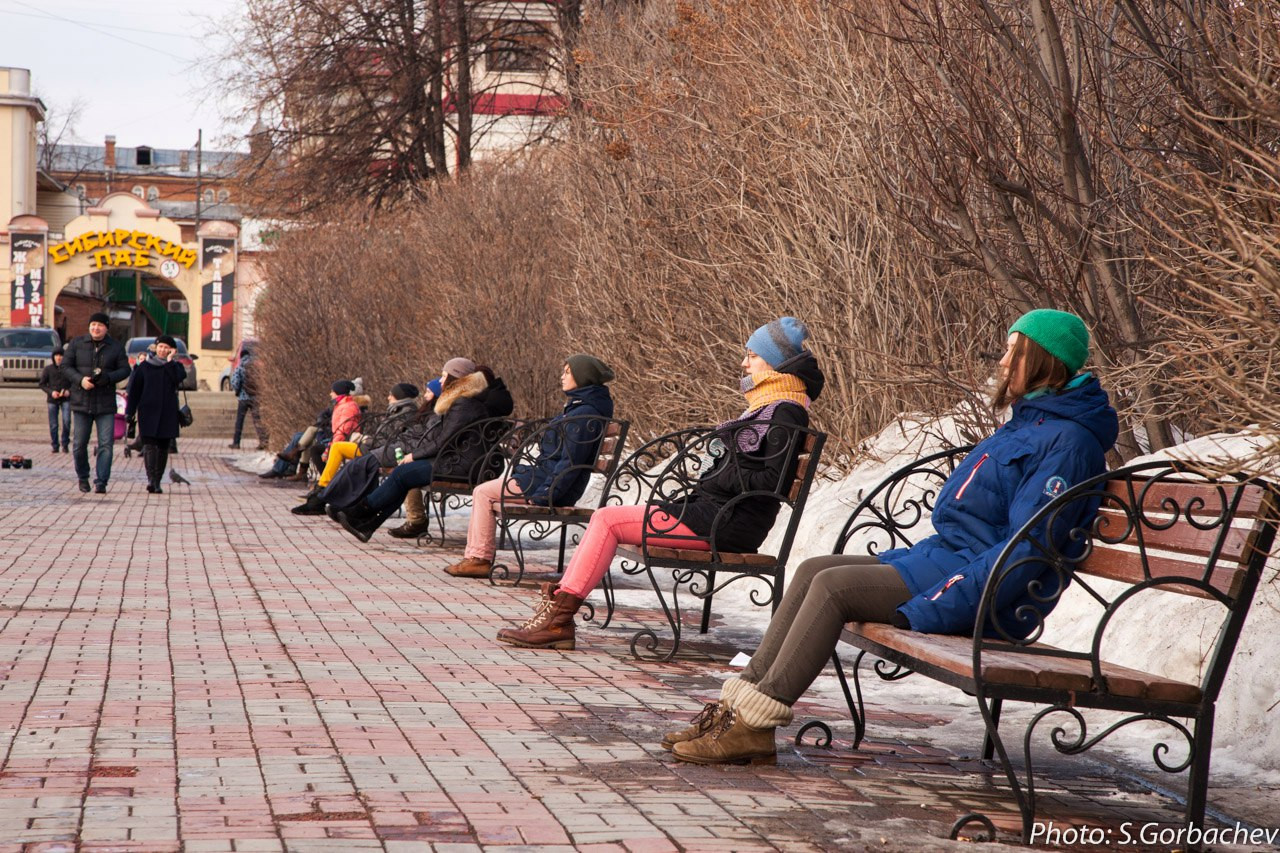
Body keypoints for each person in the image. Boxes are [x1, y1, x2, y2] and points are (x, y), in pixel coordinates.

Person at [660, 309, 1119, 766]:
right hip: (950, 560)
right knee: (814, 568)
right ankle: (737, 709)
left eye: (1013, 351)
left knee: (833, 590)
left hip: (980, 592)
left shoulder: (1068, 443)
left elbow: (1026, 550)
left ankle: (754, 727)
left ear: (1044, 360)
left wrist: (937, 600)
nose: (1001, 362)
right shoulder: (1030, 423)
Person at [495, 319, 823, 650]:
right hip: (712, 511)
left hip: (727, 522)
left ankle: (558, 620)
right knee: (605, 518)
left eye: (751, 355)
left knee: (607, 520)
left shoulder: (785, 412)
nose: (744, 363)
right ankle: (558, 616)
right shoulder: (769, 406)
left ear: (772, 360)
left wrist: (719, 473)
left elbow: (774, 481)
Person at [442, 353, 616, 578]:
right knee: (486, 491)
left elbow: (571, 460)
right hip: (543, 479)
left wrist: (546, 494)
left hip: (549, 487)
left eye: (567, 372)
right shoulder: (581, 407)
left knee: (483, 493)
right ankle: (475, 557)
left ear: (582, 378)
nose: (561, 377)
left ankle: (479, 559)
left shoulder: (584, 414)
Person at [333, 359, 494, 541]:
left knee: (403, 473)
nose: (441, 381)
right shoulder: (465, 400)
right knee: (404, 475)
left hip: (461, 465)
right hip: (457, 460)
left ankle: (361, 512)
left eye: (443, 376)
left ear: (455, 377)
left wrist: (413, 455)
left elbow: (443, 441)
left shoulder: (463, 403)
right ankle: (367, 524)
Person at [388, 366, 515, 539]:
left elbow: (446, 439)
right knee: (410, 466)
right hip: (478, 462)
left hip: (467, 464)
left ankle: (416, 520)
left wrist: (417, 454)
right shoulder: (483, 401)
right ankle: (415, 520)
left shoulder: (471, 403)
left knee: (410, 469)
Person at [292, 382, 421, 515]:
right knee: (335, 449)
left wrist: (367, 440)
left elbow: (392, 438)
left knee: (339, 451)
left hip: (380, 450)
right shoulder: (397, 410)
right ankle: (322, 492)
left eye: (391, 395)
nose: (388, 398)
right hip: (375, 447)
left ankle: (322, 493)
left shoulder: (405, 413)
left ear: (399, 396)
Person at [61, 312, 131, 493]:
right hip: (81, 401)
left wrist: (108, 378)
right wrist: (80, 380)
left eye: (100, 325)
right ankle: (83, 477)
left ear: (106, 327)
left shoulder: (115, 347)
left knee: (106, 444)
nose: (96, 328)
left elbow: (125, 370)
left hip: (105, 403)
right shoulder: (77, 344)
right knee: (78, 445)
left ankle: (101, 481)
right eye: (93, 325)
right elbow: (65, 366)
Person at [124, 335, 189, 493]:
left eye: (167, 348)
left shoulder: (175, 367)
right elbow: (135, 391)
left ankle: (158, 480)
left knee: (162, 447)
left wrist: (170, 361)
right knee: (149, 446)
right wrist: (130, 412)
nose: (163, 350)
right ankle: (151, 480)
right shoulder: (144, 367)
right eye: (160, 347)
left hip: (168, 413)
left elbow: (177, 378)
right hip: (148, 411)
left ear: (172, 350)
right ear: (155, 348)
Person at [228, 346, 268, 450]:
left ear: (241, 356)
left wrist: (237, 391)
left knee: (240, 420)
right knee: (257, 420)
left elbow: (235, 382)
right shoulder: (255, 366)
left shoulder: (240, 366)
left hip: (243, 398)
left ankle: (236, 443)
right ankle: (263, 441)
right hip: (255, 397)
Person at [39, 346, 72, 453]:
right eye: (56, 355)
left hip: (66, 399)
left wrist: (68, 391)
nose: (59, 358)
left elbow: (75, 382)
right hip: (52, 399)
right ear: (53, 357)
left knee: (66, 421)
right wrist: (51, 392)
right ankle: (55, 444)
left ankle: (65, 443)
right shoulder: (48, 369)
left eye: (61, 355)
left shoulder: (68, 369)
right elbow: (42, 384)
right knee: (53, 424)